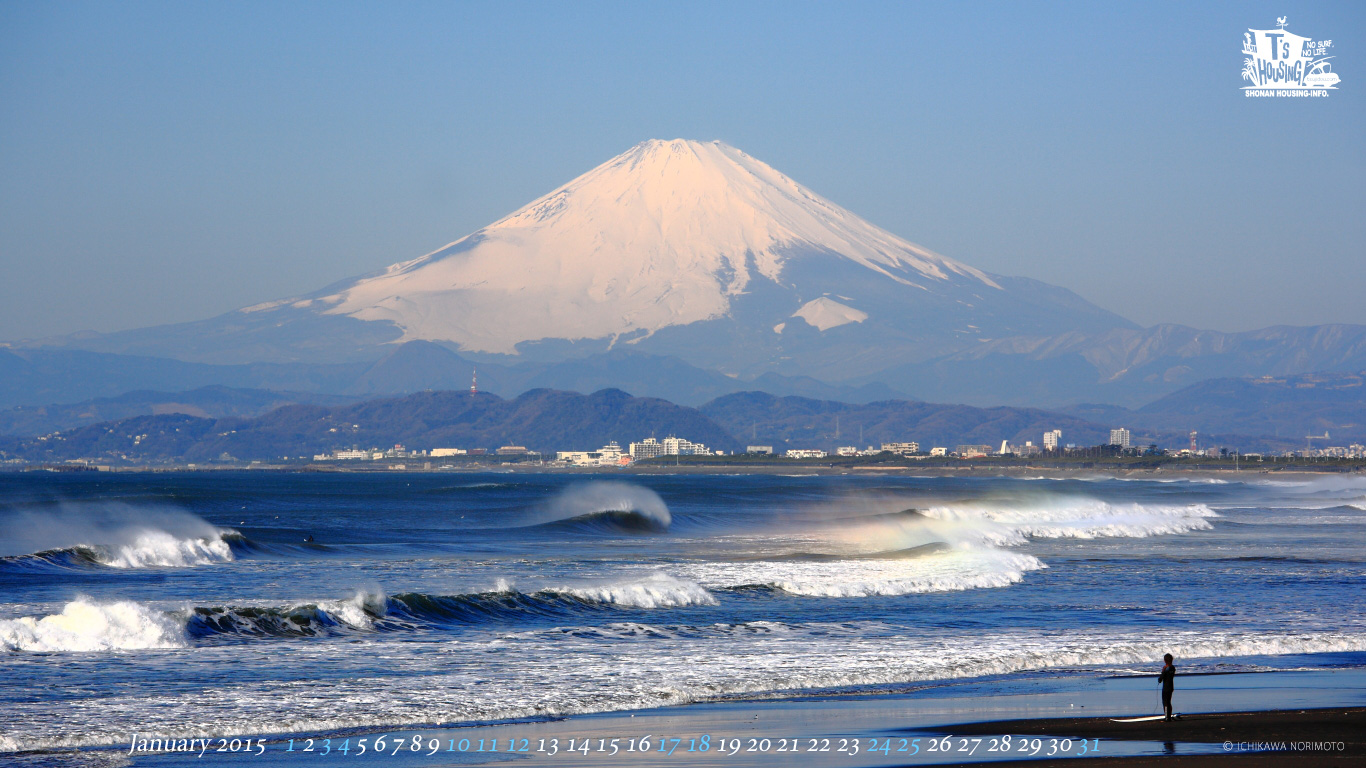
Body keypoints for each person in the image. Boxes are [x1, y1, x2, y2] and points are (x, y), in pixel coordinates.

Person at [1158, 653, 1176, 721]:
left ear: (1165, 660)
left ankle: (1167, 717)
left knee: (1165, 702)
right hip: (1171, 686)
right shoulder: (1173, 668)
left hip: (1166, 687)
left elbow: (1160, 679)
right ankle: (1169, 716)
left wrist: (1163, 671)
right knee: (1168, 702)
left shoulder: (1166, 668)